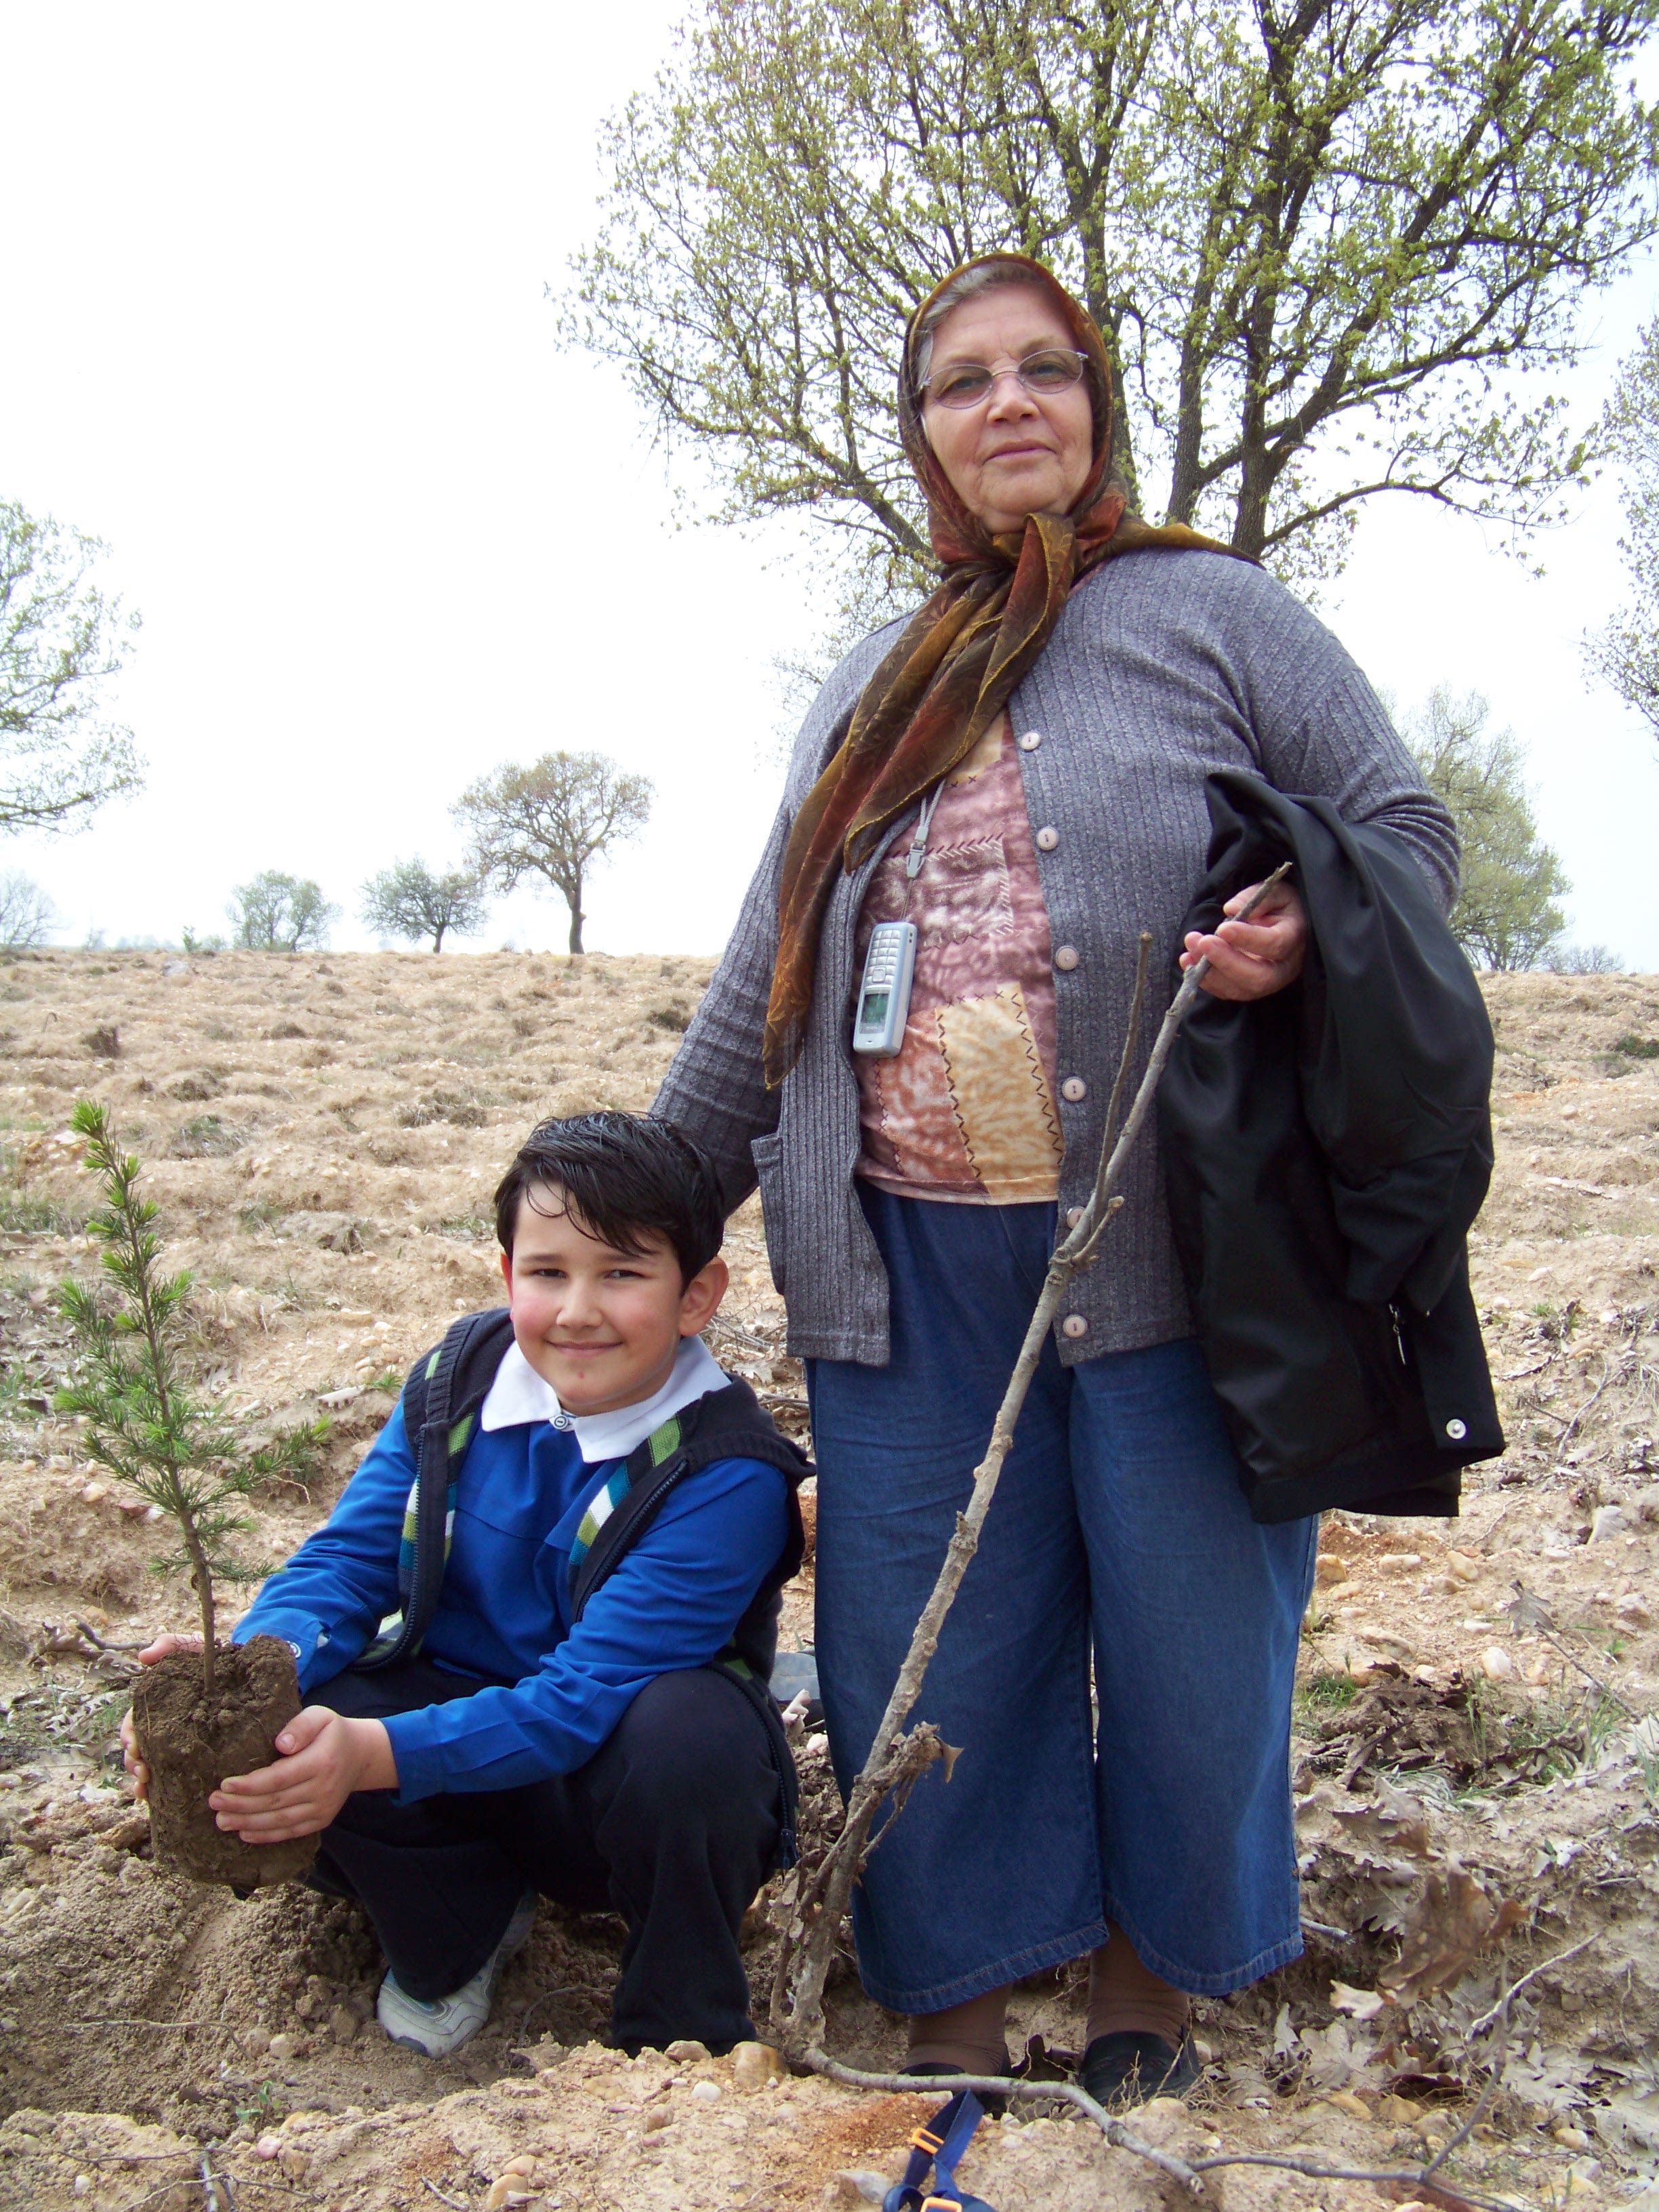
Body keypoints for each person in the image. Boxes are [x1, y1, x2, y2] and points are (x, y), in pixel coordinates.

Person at [653, 253, 1466, 2106]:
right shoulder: (872, 676)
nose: (1007, 404)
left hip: (1177, 1233)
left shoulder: (1216, 614)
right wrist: (640, 1196)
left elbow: (1404, 835)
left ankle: (1148, 1973)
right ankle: (954, 1967)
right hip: (899, 1251)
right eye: (962, 382)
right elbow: (763, 966)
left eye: (1045, 370)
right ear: (924, 433)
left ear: (1097, 404)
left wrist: (1293, 921)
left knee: (1191, 1617)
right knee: (925, 1620)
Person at [122, 1112, 807, 2060]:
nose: (578, 1311)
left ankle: (679, 2030)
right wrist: (249, 1666)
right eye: (548, 1272)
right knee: (291, 1707)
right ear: (505, 1275)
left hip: (599, 1787)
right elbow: (348, 1560)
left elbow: (578, 1701)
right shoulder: (461, 1377)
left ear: (697, 1296)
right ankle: (458, 1931)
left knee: (691, 1740)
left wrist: (364, 1756)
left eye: (623, 1274)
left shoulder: (727, 1471)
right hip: (441, 1732)